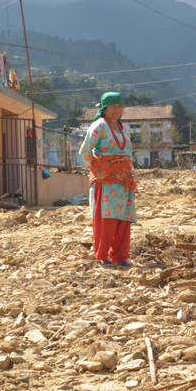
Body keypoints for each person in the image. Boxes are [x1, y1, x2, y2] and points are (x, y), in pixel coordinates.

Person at [80, 92, 136, 267]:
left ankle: (120, 257)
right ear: (104, 109)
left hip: (123, 179)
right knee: (106, 218)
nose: (117, 109)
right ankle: (102, 257)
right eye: (113, 106)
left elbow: (128, 151)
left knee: (123, 218)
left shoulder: (124, 128)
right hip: (105, 179)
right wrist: (98, 168)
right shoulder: (99, 126)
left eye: (120, 106)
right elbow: (85, 150)